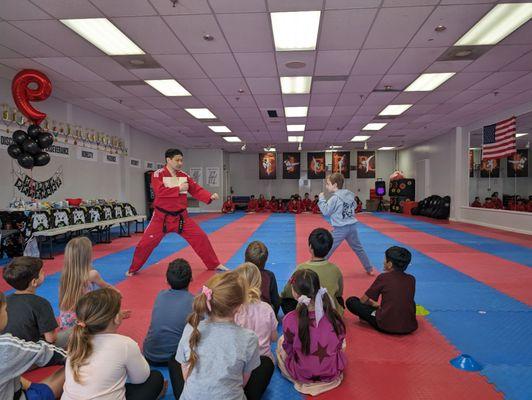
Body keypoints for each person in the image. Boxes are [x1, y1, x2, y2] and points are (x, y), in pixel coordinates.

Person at [169, 272, 274, 400]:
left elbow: (186, 376)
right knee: (266, 363)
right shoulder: (249, 338)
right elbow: (243, 382)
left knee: (175, 360)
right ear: (240, 308)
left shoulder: (191, 328)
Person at [127, 149, 227, 276]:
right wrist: (179, 188)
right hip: (161, 218)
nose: (180, 163)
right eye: (177, 160)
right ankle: (133, 269)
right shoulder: (158, 174)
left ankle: (214, 264)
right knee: (145, 244)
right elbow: (160, 192)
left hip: (181, 218)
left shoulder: (184, 175)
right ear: (168, 160)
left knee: (201, 237)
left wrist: (209, 196)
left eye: (181, 160)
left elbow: (196, 189)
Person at [62, 288, 165, 400]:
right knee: (156, 377)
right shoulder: (125, 344)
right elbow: (140, 379)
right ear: (116, 318)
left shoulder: (75, 341)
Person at [277, 269, 346, 396]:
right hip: (331, 371)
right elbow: (339, 342)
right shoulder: (334, 316)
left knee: (281, 342)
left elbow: (288, 347)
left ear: (295, 293)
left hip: (302, 372)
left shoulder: (290, 319)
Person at [0, 291, 67, 400]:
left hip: (17, 378)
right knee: (73, 365)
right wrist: (72, 358)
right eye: (5, 310)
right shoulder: (6, 344)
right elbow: (48, 347)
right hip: (18, 393)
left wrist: (29, 385)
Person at [346, 246, 417, 335]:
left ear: (390, 264)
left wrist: (373, 305)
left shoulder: (383, 277)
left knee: (352, 301)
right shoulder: (411, 279)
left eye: (385, 260)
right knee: (409, 301)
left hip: (385, 325)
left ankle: (372, 316)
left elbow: (363, 301)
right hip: (409, 326)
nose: (383, 262)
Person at [318, 173, 375, 275]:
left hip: (340, 228)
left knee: (328, 247)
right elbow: (355, 205)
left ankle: (318, 267)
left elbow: (326, 211)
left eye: (328, 184)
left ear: (334, 185)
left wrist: (321, 199)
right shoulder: (349, 194)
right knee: (359, 249)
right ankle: (369, 269)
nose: (326, 186)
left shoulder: (335, 198)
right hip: (352, 226)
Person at [59, 237, 118, 331]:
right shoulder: (92, 274)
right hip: (83, 320)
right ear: (88, 256)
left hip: (65, 322)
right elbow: (107, 287)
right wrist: (118, 294)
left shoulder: (66, 274)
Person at [280, 228, 344, 314]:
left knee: (285, 300)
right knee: (339, 300)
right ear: (329, 248)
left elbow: (288, 292)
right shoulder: (335, 269)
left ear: (310, 247)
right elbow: (339, 294)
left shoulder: (301, 268)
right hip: (329, 311)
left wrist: (281, 297)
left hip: (308, 311)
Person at [2, 257, 61, 348]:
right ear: (34, 282)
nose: (44, 272)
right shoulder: (41, 303)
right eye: (42, 272)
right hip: (32, 351)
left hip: (7, 348)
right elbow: (51, 339)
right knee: (72, 333)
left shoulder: (4, 300)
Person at [143, 259, 194, 365]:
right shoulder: (194, 301)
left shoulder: (160, 295)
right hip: (176, 359)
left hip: (150, 355)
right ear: (191, 279)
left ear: (167, 280)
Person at [234, 263, 278, 361]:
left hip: (241, 361)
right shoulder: (267, 308)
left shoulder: (235, 310)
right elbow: (274, 338)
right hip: (264, 359)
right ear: (259, 282)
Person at [245, 240, 280, 314]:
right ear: (265, 260)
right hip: (264, 313)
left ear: (245, 258)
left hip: (243, 313)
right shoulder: (269, 276)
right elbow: (276, 301)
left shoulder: (237, 275)